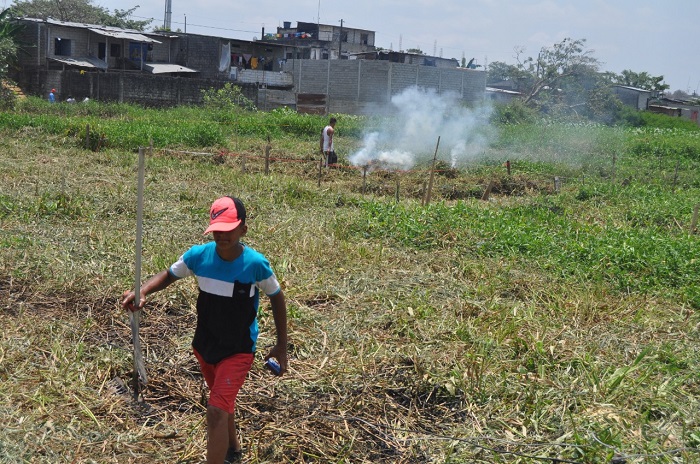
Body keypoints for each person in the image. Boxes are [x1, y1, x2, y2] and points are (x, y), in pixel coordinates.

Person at [121, 196, 288, 464]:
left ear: (243, 229)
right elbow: (169, 274)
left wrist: (281, 345)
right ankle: (233, 448)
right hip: (205, 346)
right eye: (217, 229)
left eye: (229, 228)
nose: (222, 235)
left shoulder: (255, 264)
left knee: (215, 411)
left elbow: (277, 297)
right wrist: (142, 291)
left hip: (238, 349)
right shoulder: (198, 256)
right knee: (222, 404)